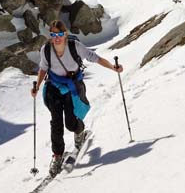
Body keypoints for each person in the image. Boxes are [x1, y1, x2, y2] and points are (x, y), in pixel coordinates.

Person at [30, 19, 124, 176]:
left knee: (71, 122)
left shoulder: (75, 47)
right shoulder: (46, 49)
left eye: (60, 34)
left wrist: (114, 67)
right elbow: (43, 68)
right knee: (56, 122)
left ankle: (79, 131)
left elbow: (96, 58)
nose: (57, 37)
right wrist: (37, 86)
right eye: (53, 34)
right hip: (54, 86)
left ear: (65, 34)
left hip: (72, 86)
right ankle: (57, 156)